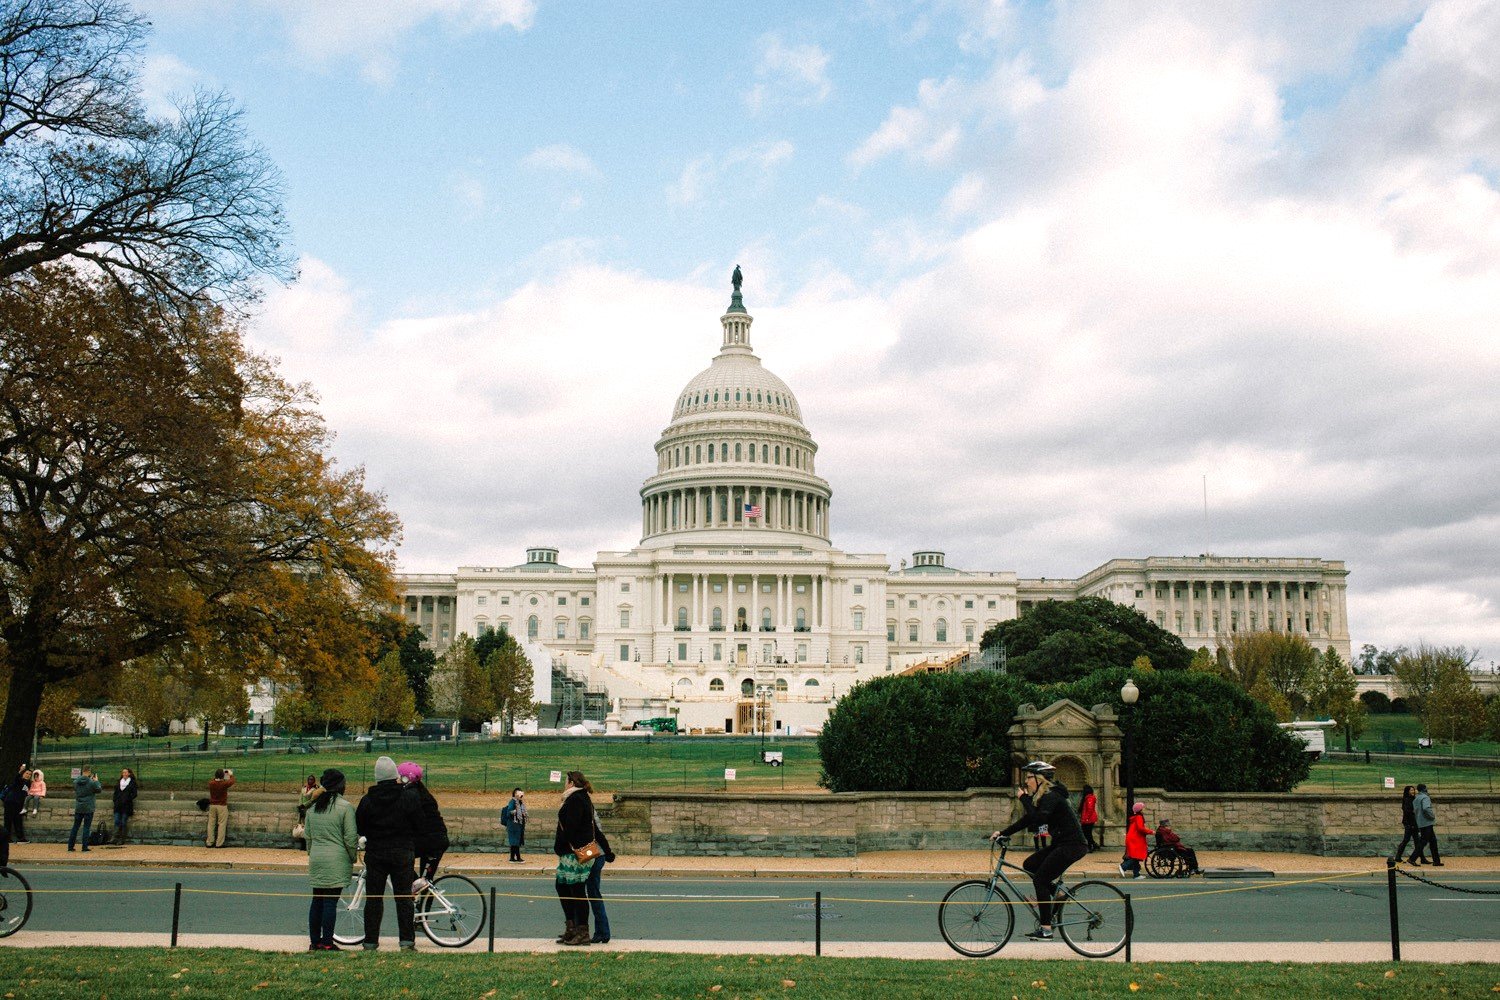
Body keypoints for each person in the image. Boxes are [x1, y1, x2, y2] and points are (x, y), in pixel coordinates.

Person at [989, 761, 1088, 942]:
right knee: (1030, 864)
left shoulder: (1052, 796)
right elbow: (1028, 820)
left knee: (1040, 879)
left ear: (1039, 779)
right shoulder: (1046, 797)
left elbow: (1037, 820)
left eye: (1028, 777)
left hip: (1072, 845)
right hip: (1062, 843)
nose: (1026, 782)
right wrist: (1002, 833)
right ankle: (1058, 894)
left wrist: (1024, 799)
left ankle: (1046, 930)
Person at [355, 755, 421, 951]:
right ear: (395, 776)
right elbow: (419, 823)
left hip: (376, 852)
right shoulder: (408, 796)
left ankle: (370, 940)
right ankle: (407, 941)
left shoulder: (367, 800)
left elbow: (361, 826)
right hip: (402, 851)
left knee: (374, 898)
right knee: (403, 898)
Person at [304, 768, 359, 951]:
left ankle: (314, 941)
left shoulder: (313, 808)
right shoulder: (345, 807)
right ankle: (327, 941)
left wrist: (312, 854)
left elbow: (308, 837)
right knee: (330, 902)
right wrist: (352, 857)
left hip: (318, 857)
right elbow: (350, 838)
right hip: (337, 858)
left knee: (317, 900)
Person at [554, 770, 597, 946]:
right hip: (571, 851)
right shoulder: (579, 797)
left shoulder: (576, 799)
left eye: (566, 781)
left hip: (574, 852)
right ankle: (571, 927)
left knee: (577, 891)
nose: (564, 784)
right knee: (563, 887)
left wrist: (562, 844)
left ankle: (582, 930)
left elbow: (572, 826)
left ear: (571, 783)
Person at [397, 762, 449, 891]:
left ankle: (418, 899)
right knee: (424, 884)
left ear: (406, 778)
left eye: (399, 776)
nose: (397, 779)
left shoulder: (411, 795)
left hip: (429, 840)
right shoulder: (423, 793)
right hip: (438, 838)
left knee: (400, 856)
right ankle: (421, 906)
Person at [584, 801, 616, 944]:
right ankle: (602, 931)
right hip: (598, 854)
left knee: (591, 893)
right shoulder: (588, 806)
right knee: (593, 893)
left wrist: (608, 852)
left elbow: (596, 833)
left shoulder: (584, 806)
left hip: (593, 854)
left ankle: (601, 932)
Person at [67, 766, 103, 852]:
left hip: (79, 807)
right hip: (89, 807)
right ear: (89, 772)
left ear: (82, 771)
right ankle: (84, 847)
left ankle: (70, 846)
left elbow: (76, 788)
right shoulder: (92, 782)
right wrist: (96, 781)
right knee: (86, 827)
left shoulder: (76, 782)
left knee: (75, 827)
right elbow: (99, 790)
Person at [205, 767, 235, 848]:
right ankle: (219, 843)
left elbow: (214, 780)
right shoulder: (224, 784)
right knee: (221, 824)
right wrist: (230, 774)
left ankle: (209, 842)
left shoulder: (211, 783)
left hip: (212, 805)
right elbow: (232, 781)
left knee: (211, 824)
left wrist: (219, 775)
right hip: (222, 806)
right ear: (222, 776)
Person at [1413, 783, 1442, 866]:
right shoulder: (1425, 797)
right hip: (1427, 822)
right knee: (1423, 842)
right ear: (1424, 789)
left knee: (1433, 841)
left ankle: (1437, 861)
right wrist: (1432, 816)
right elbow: (1426, 808)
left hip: (1420, 822)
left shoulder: (1416, 798)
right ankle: (1412, 858)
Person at [1396, 785, 1426, 864]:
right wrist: (1413, 823)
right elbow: (1408, 812)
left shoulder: (1412, 799)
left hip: (1413, 823)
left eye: (1413, 790)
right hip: (1410, 823)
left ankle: (1422, 858)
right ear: (1408, 791)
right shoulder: (1407, 800)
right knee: (1407, 840)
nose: (1413, 791)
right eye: (1411, 790)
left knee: (1417, 841)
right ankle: (1398, 857)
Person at [1119, 802, 1148, 878]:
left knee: (1136, 856)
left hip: (1133, 838)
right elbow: (1140, 828)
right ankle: (1123, 866)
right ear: (1140, 810)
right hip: (1135, 839)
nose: (1144, 809)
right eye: (1143, 808)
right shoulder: (1139, 817)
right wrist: (1151, 831)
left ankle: (1136, 874)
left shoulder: (1136, 817)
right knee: (1135, 857)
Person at [111, 768, 139, 845]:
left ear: (129, 773)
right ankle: (114, 838)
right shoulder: (119, 782)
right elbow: (115, 792)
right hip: (118, 805)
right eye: (123, 772)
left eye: (125, 772)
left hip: (126, 805)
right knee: (117, 821)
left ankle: (121, 839)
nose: (124, 773)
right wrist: (115, 800)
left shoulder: (132, 783)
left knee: (123, 822)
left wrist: (128, 798)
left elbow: (134, 794)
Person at [2, 766, 28, 844]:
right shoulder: (19, 780)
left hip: (18, 804)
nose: (28, 775)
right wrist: (20, 771)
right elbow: (16, 778)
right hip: (10, 802)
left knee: (18, 820)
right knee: (8, 821)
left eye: (30, 774)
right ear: (23, 774)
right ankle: (7, 839)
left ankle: (20, 838)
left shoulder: (27, 783)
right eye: (27, 773)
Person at [501, 788, 527, 863]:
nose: (521, 795)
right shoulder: (512, 802)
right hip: (513, 825)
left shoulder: (519, 802)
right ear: (515, 794)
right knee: (515, 841)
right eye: (519, 793)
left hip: (518, 824)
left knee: (516, 841)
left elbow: (522, 812)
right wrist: (515, 811)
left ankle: (513, 858)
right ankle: (517, 858)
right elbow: (508, 813)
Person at [1079, 785, 1099, 851]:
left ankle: (1091, 846)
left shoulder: (1089, 798)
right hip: (1088, 819)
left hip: (1089, 819)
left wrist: (1086, 818)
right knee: (1087, 833)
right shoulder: (1087, 798)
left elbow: (1090, 809)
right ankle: (1093, 844)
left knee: (1087, 833)